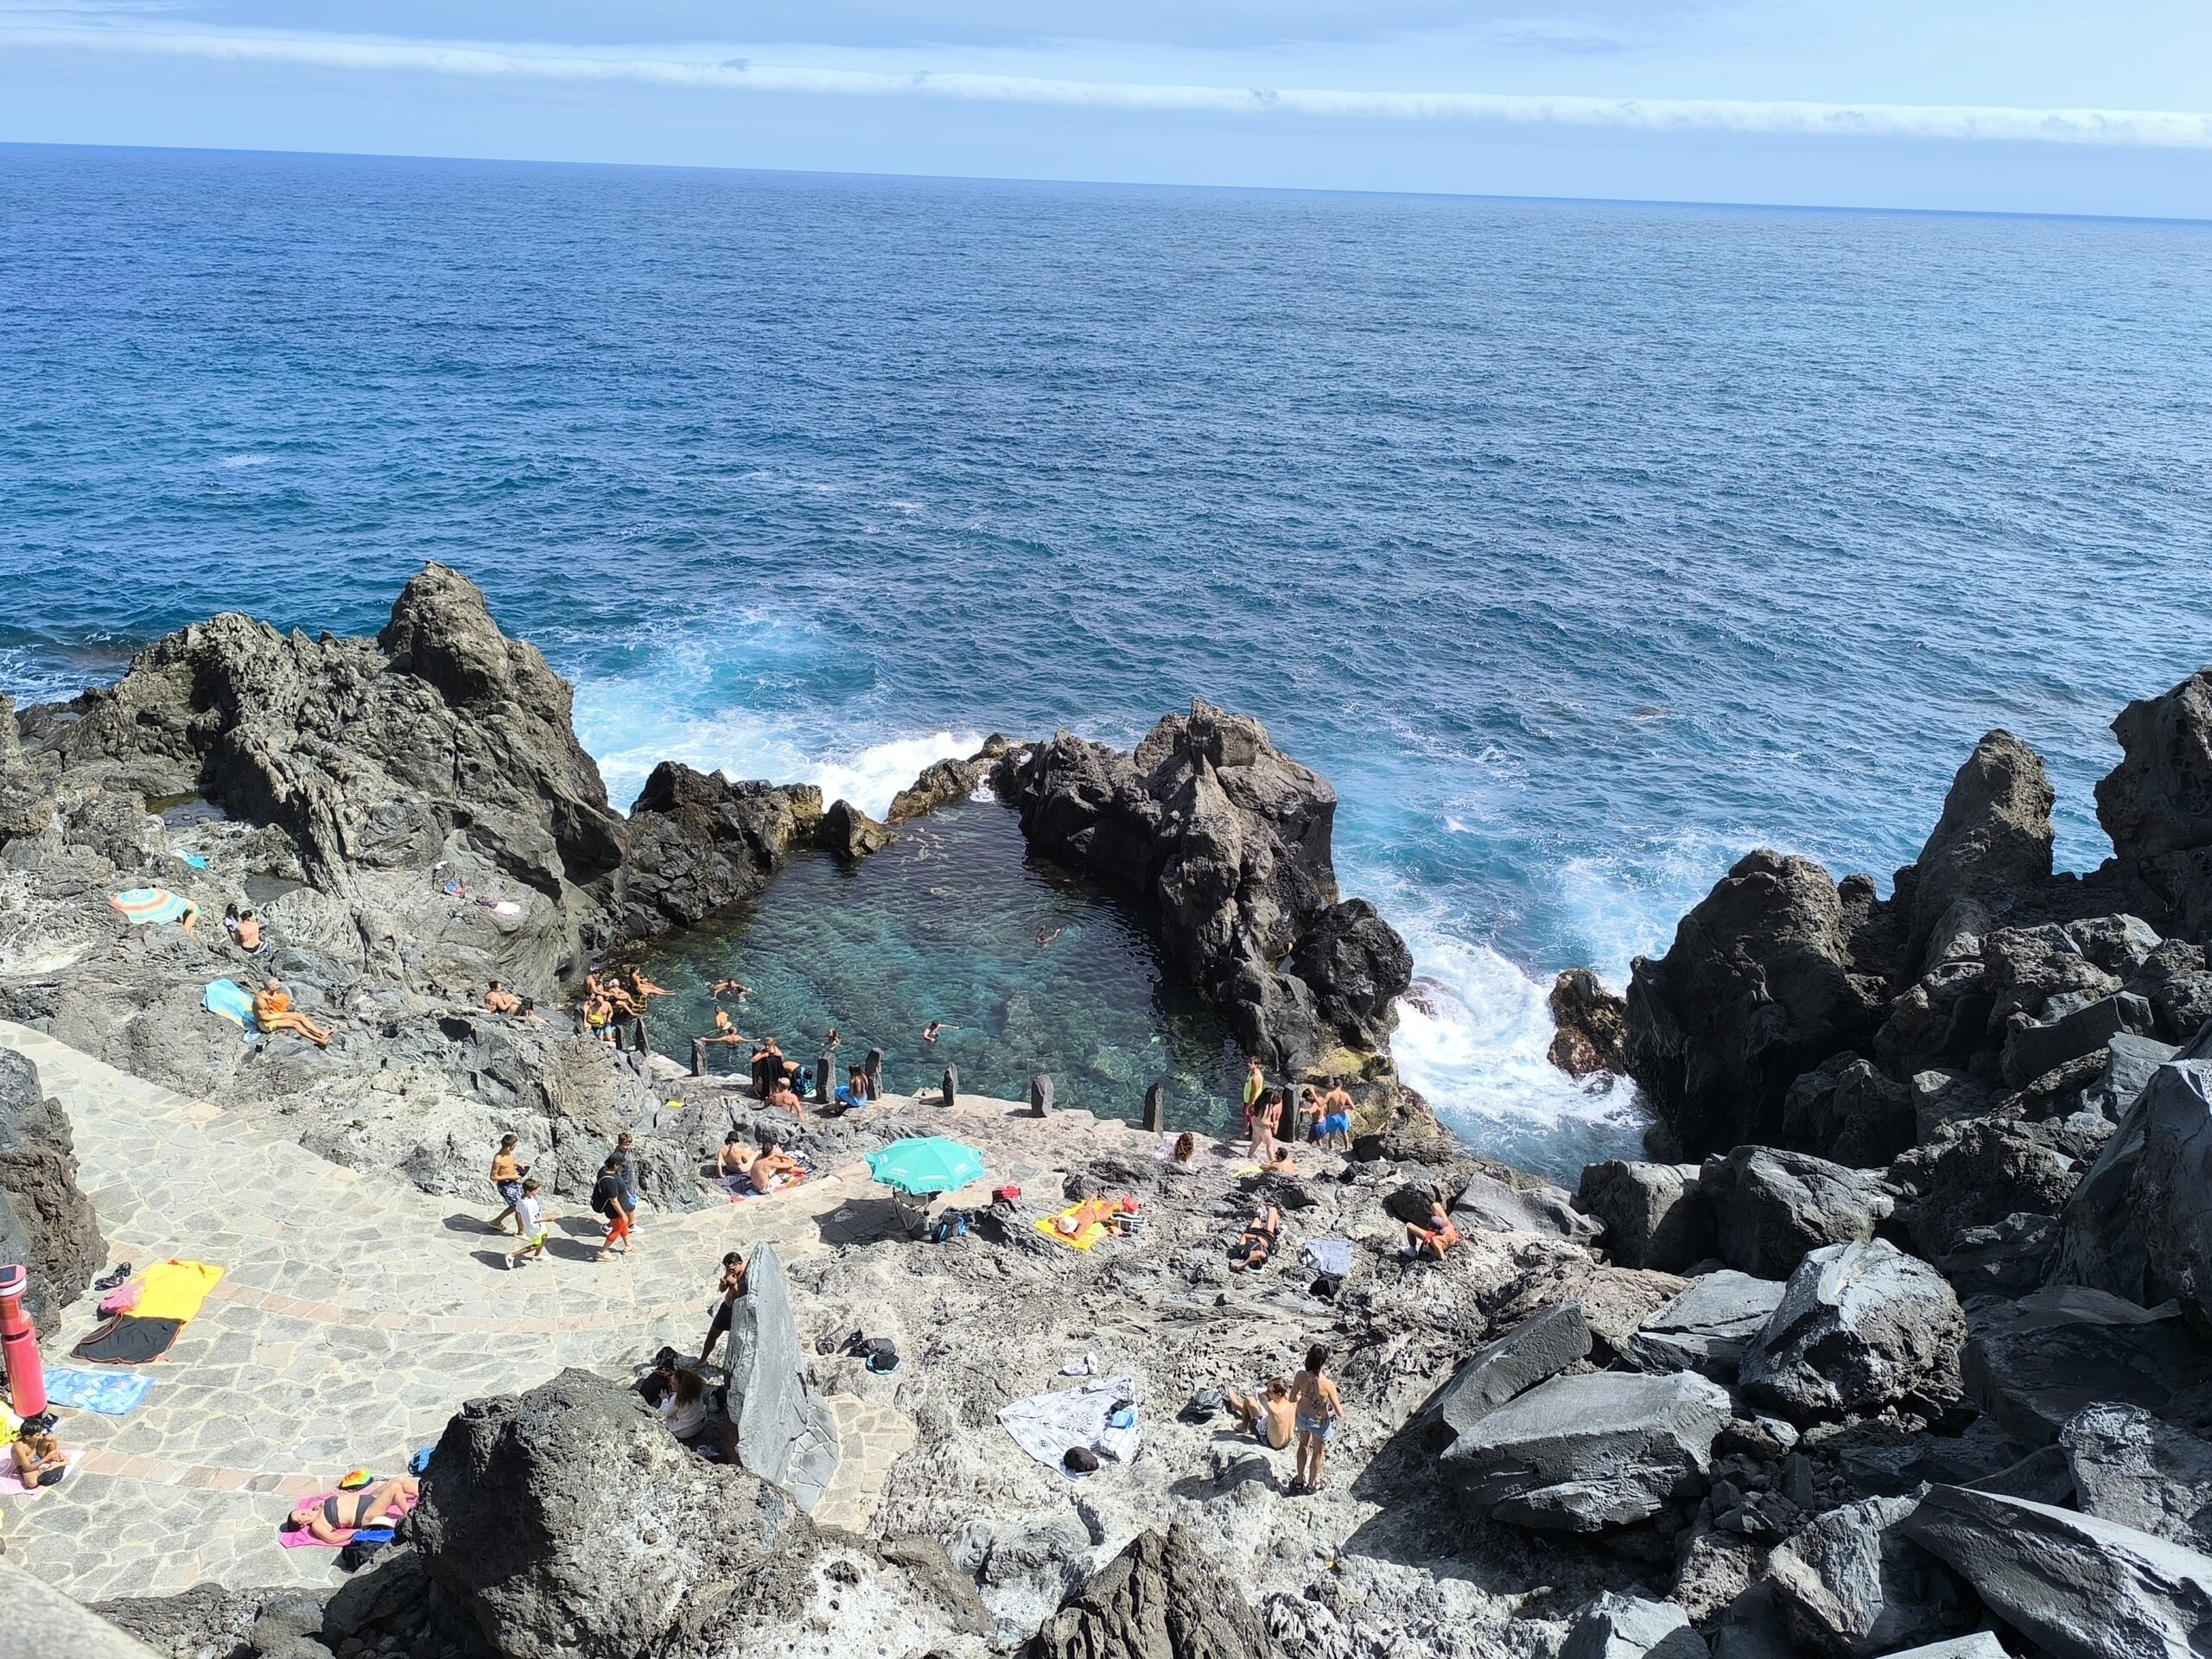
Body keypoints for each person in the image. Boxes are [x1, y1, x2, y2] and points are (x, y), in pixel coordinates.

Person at [287, 1476, 419, 1543]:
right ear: (303, 1525)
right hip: (365, 1514)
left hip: (368, 1498)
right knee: (395, 1488)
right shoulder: (317, 1524)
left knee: (400, 1480)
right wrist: (353, 1533)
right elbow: (331, 1539)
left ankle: (422, 1495)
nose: (304, 1512)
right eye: (301, 1516)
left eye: (300, 1511)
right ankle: (411, 1516)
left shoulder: (318, 1507)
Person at [1288, 1344, 1344, 1495]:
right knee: (1318, 1452)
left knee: (1303, 1445)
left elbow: (1292, 1398)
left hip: (1302, 1416)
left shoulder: (1300, 1376)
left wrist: (1302, 1398)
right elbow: (1340, 1413)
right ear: (1324, 1361)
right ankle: (1312, 1485)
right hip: (1319, 1422)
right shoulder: (1328, 1384)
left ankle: (1299, 1481)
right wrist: (1327, 1412)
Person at [697, 1250, 749, 1364]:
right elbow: (722, 1290)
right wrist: (723, 1284)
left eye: (731, 1269)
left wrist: (734, 1286)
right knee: (712, 1335)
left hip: (739, 1313)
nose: (728, 1272)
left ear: (739, 1264)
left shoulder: (747, 1274)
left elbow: (743, 1296)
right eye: (727, 1269)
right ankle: (702, 1360)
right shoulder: (731, 1271)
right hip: (726, 1308)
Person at [253, 978, 331, 1047]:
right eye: (277, 985)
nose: (279, 986)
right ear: (271, 987)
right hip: (265, 1023)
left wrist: (271, 999)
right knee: (295, 1024)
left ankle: (321, 1033)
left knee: (300, 1016)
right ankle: (319, 1040)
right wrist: (281, 1016)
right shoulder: (260, 1000)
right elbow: (263, 1017)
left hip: (272, 1015)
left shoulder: (269, 993)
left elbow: (279, 999)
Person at [1223, 1380, 1296, 1452]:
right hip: (1287, 1442)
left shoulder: (1272, 1406)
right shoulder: (1293, 1403)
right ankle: (1237, 1406)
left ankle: (1244, 1426)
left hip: (1269, 1442)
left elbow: (1262, 1402)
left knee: (1249, 1400)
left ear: (1279, 1395)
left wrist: (1260, 1396)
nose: (1266, 1392)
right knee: (1259, 1411)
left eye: (1269, 1391)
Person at [592, 1155, 634, 1259]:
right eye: (621, 1166)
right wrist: (623, 1215)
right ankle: (603, 1252)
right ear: (615, 1165)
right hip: (615, 1211)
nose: (621, 1168)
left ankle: (628, 1245)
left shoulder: (604, 1170)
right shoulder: (609, 1181)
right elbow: (614, 1201)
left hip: (618, 1208)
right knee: (617, 1229)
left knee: (622, 1226)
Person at [10, 1415, 67, 1488]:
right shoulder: (19, 1447)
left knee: (50, 1437)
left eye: (40, 1433)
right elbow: (27, 1468)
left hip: (37, 1456)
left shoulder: (34, 1438)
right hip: (28, 1466)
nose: (41, 1435)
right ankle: (49, 1469)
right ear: (27, 1437)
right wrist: (47, 1458)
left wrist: (54, 1452)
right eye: (38, 1435)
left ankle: (53, 1462)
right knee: (32, 1483)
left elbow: (48, 1441)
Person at [488, 1135, 529, 1234]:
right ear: (508, 1147)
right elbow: (493, 1177)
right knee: (517, 1206)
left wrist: (517, 1164)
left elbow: (508, 1163)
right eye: (514, 1146)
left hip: (513, 1182)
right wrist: (511, 1177)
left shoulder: (509, 1153)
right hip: (505, 1186)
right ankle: (521, 1232)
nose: (515, 1147)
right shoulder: (498, 1159)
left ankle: (496, 1222)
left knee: (518, 1205)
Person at [506, 1179, 549, 1267]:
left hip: (539, 1224)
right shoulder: (526, 1205)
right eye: (535, 1191)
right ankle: (512, 1255)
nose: (537, 1192)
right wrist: (548, 1219)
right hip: (534, 1228)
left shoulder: (526, 1198)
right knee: (537, 1245)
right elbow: (531, 1221)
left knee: (544, 1236)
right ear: (528, 1192)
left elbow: (518, 1210)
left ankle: (537, 1256)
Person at [1404, 1198, 1461, 1262]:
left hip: (1440, 1243)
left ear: (1433, 1230)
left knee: (1409, 1226)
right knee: (1435, 1205)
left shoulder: (1434, 1240)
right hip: (1449, 1238)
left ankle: (1412, 1250)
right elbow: (1436, 1206)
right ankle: (1436, 1221)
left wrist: (1429, 1250)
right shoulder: (1448, 1225)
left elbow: (1442, 1257)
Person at [1230, 1207, 1282, 1273]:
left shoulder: (1244, 1252)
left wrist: (1257, 1238)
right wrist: (1243, 1265)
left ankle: (1258, 1215)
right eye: (1258, 1260)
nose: (1257, 1259)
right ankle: (1277, 1230)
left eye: (1253, 1260)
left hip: (1254, 1234)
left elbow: (1245, 1236)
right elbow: (1258, 1253)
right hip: (1267, 1237)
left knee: (1256, 1218)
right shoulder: (1264, 1259)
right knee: (1272, 1210)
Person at [613, 1132, 643, 1234]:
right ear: (620, 1143)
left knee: (629, 1206)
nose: (628, 1145)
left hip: (629, 1185)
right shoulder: (620, 1158)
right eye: (625, 1144)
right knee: (629, 1206)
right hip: (625, 1187)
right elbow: (617, 1175)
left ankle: (630, 1225)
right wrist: (624, 1190)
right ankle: (629, 1225)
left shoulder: (623, 1152)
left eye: (630, 1143)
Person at [1241, 1059, 1266, 1141]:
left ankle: (1246, 1135)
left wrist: (1248, 1105)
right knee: (1248, 1118)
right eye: (1249, 1062)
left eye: (1251, 1063)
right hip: (1247, 1100)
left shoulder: (1256, 1078)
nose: (1248, 1064)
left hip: (1252, 1102)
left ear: (1256, 1065)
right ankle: (1246, 1134)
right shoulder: (1251, 1072)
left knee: (1250, 1119)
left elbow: (1254, 1094)